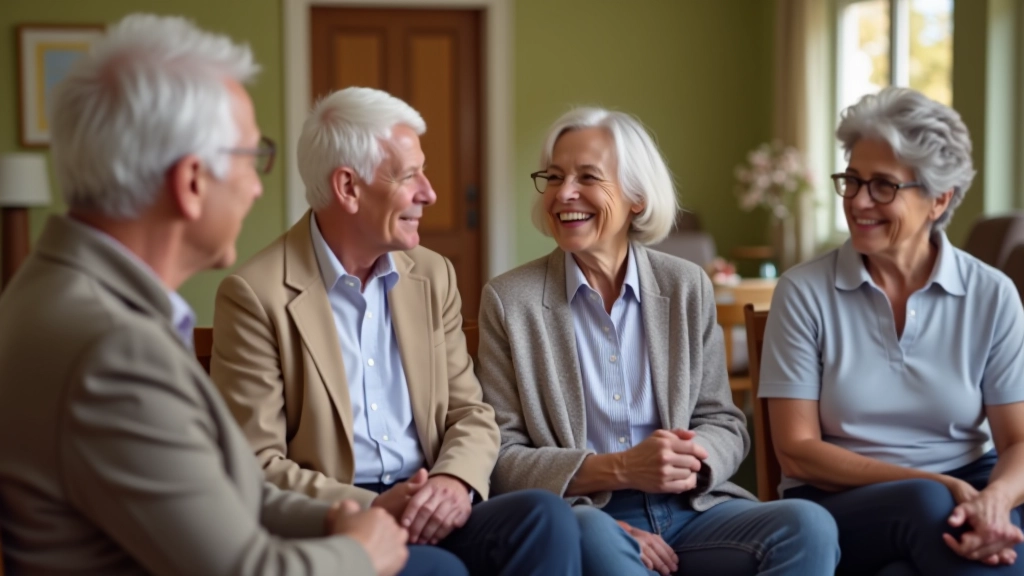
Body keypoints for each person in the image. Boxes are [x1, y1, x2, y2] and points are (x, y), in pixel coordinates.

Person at [0, 14, 412, 576]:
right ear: (192, 182)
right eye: (251, 157)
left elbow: (223, 492)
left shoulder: (49, 293)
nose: (258, 185)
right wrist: (363, 552)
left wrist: (340, 517)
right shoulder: (115, 351)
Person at [210, 86, 582, 576]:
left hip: (433, 496)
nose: (429, 193)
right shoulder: (256, 294)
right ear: (348, 187)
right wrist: (371, 509)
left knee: (546, 518)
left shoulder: (432, 274)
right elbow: (255, 463)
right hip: (347, 521)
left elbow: (470, 412)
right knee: (438, 571)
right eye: (410, 176)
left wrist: (453, 480)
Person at [476, 106, 840, 576]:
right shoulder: (510, 300)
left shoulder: (686, 285)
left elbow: (724, 422)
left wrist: (689, 462)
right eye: (553, 177)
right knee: (589, 536)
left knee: (807, 524)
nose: (564, 194)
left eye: (588, 177)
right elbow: (503, 455)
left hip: (695, 510)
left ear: (637, 198)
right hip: (590, 513)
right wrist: (622, 469)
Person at [760, 86, 1024, 575]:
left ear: (939, 199)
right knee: (927, 505)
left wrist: (995, 502)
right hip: (841, 500)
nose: (859, 201)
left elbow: (1018, 443)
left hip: (968, 487)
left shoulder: (992, 294)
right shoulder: (803, 292)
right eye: (852, 181)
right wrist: (940, 486)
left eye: (884, 185)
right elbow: (796, 453)